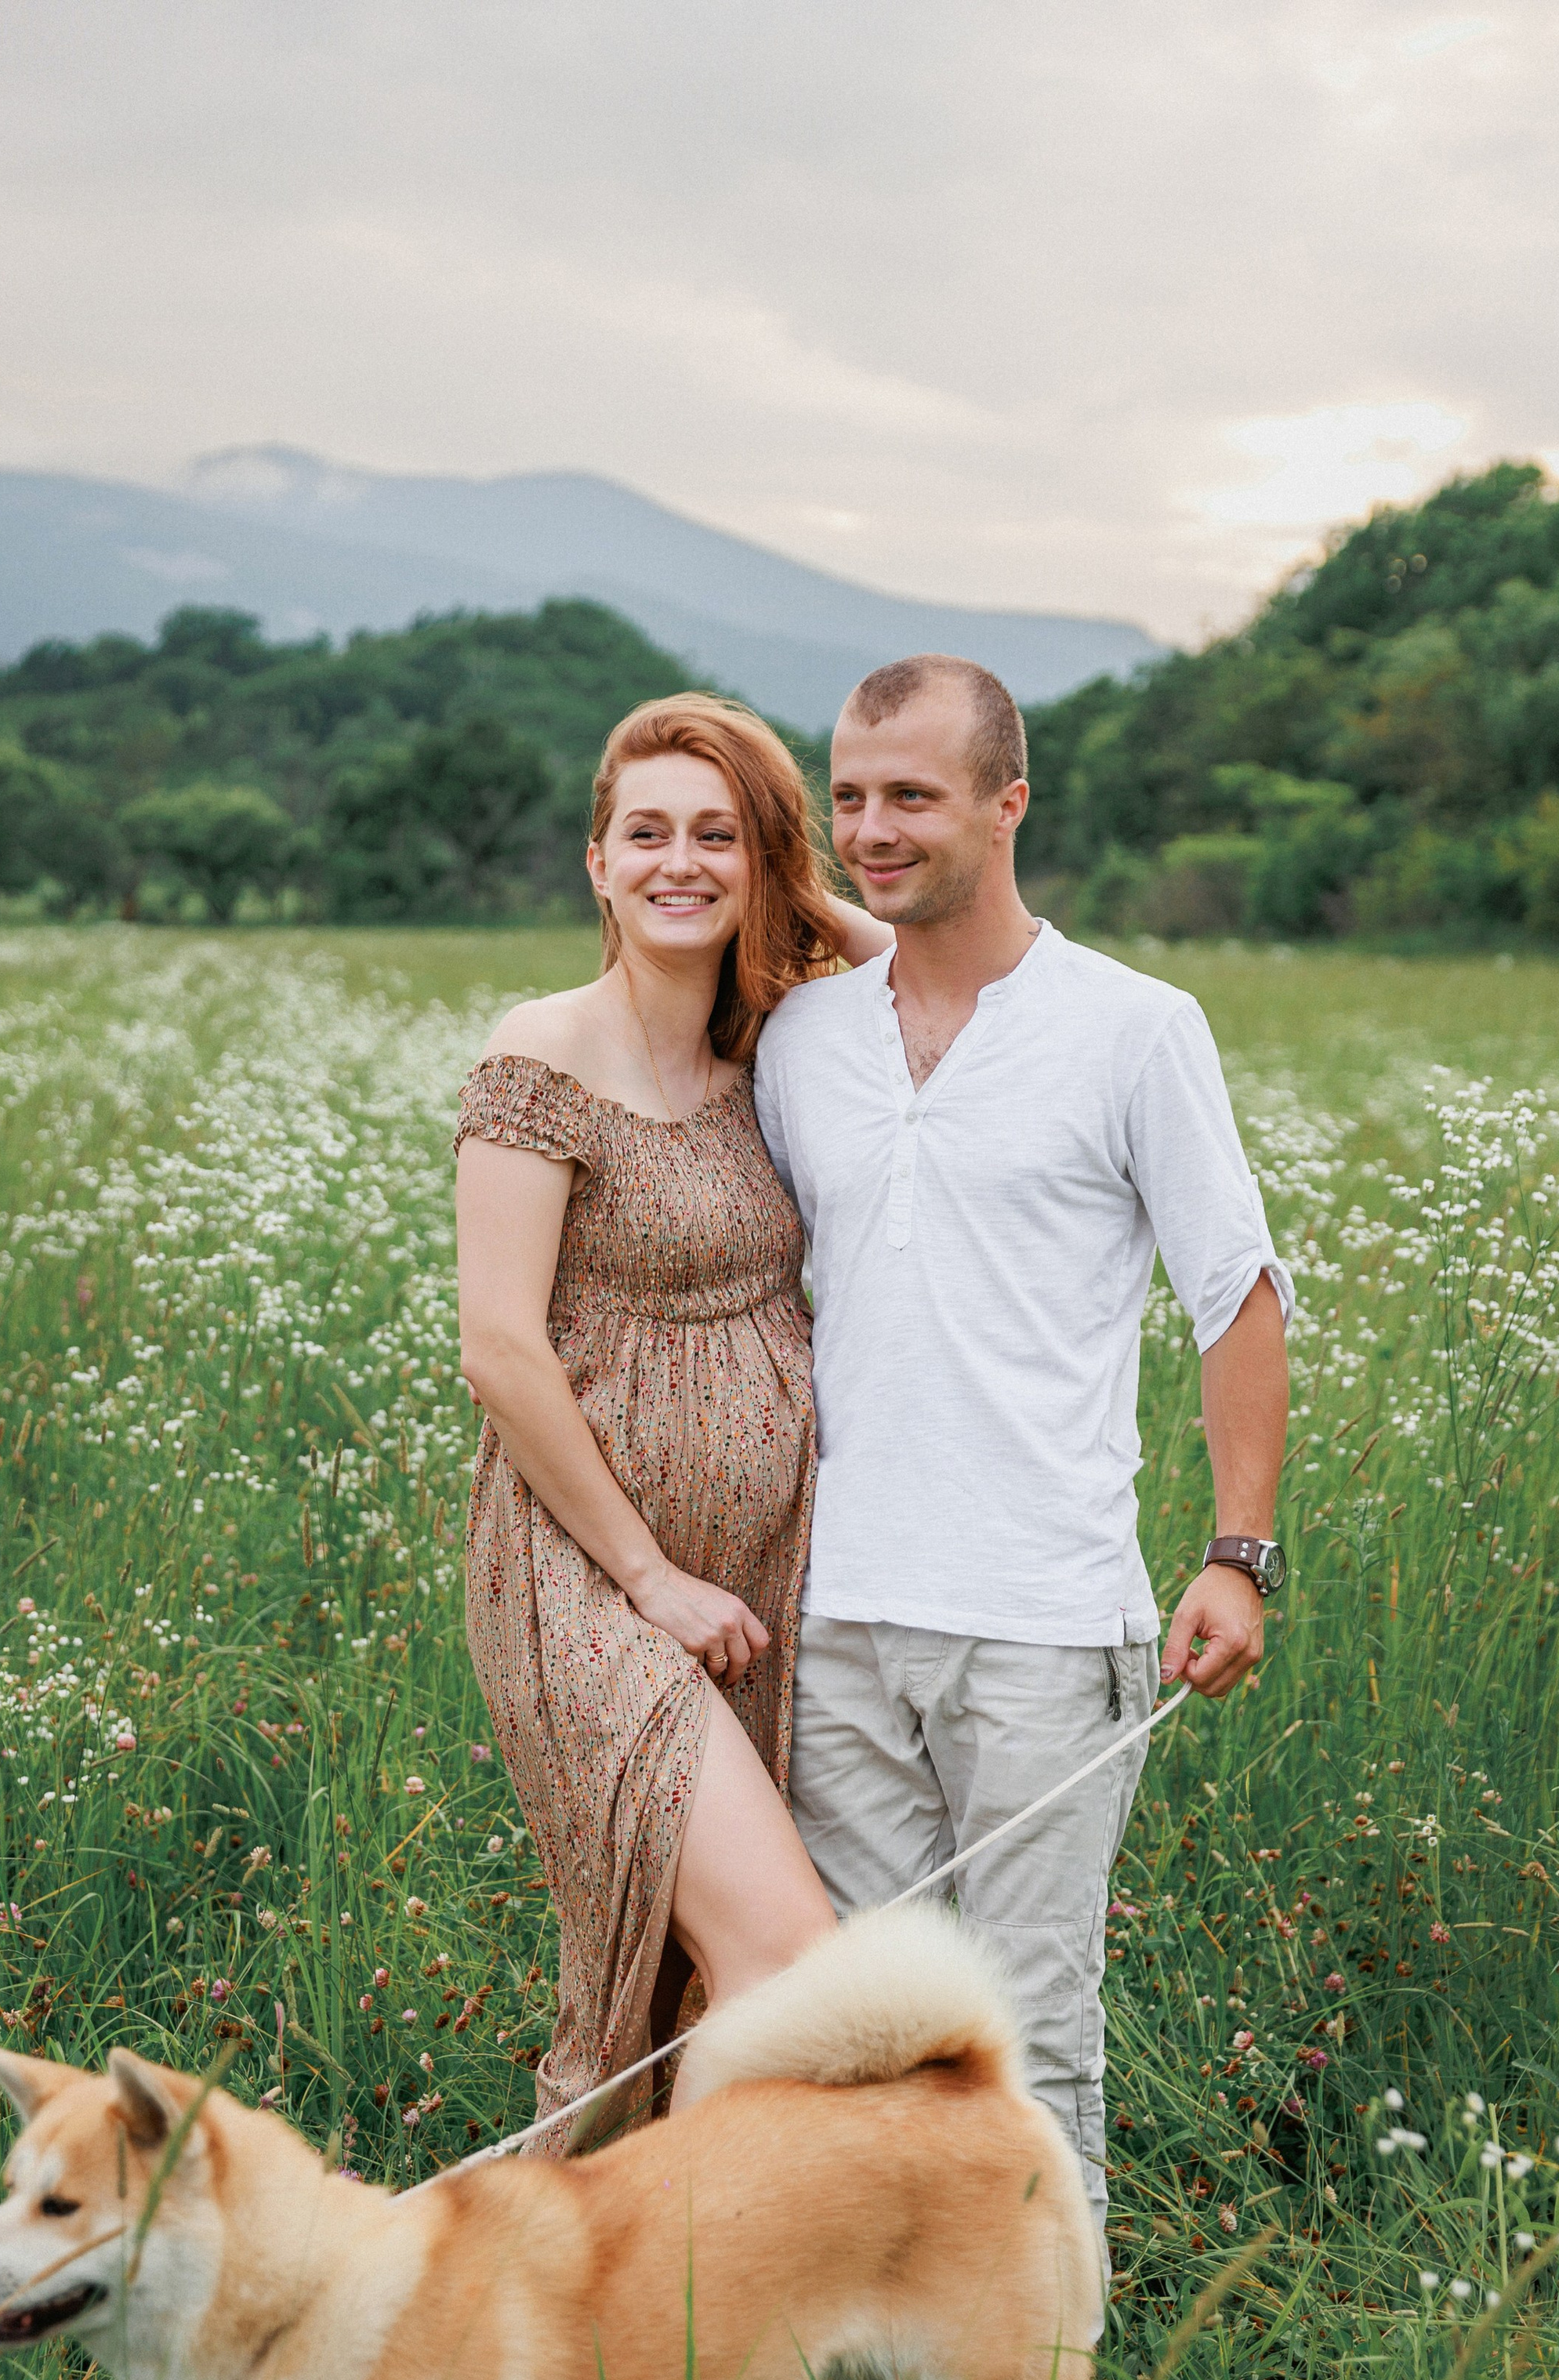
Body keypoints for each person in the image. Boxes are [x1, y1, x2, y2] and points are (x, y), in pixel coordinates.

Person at [755, 650, 1293, 2246]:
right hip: (835, 1615)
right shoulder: (802, 1043)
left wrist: (1235, 1552)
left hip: (1046, 1623)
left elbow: (1235, 1291)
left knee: (1026, 2044)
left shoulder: (1129, 1027)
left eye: (909, 795)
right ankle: (889, 2375)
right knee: (866, 2043)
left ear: (1007, 803)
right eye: (847, 795)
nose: (870, 827)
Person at [455, 695, 890, 2146]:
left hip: (754, 1584)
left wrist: (780, 870)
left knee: (691, 1985)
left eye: (717, 838)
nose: (677, 863)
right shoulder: (544, 1053)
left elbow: (937, 965)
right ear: (595, 862)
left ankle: (597, 2325)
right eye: (646, 835)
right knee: (786, 1961)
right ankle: (679, 2305)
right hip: (591, 1585)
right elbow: (502, 1347)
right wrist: (650, 1577)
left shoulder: (776, 1056)